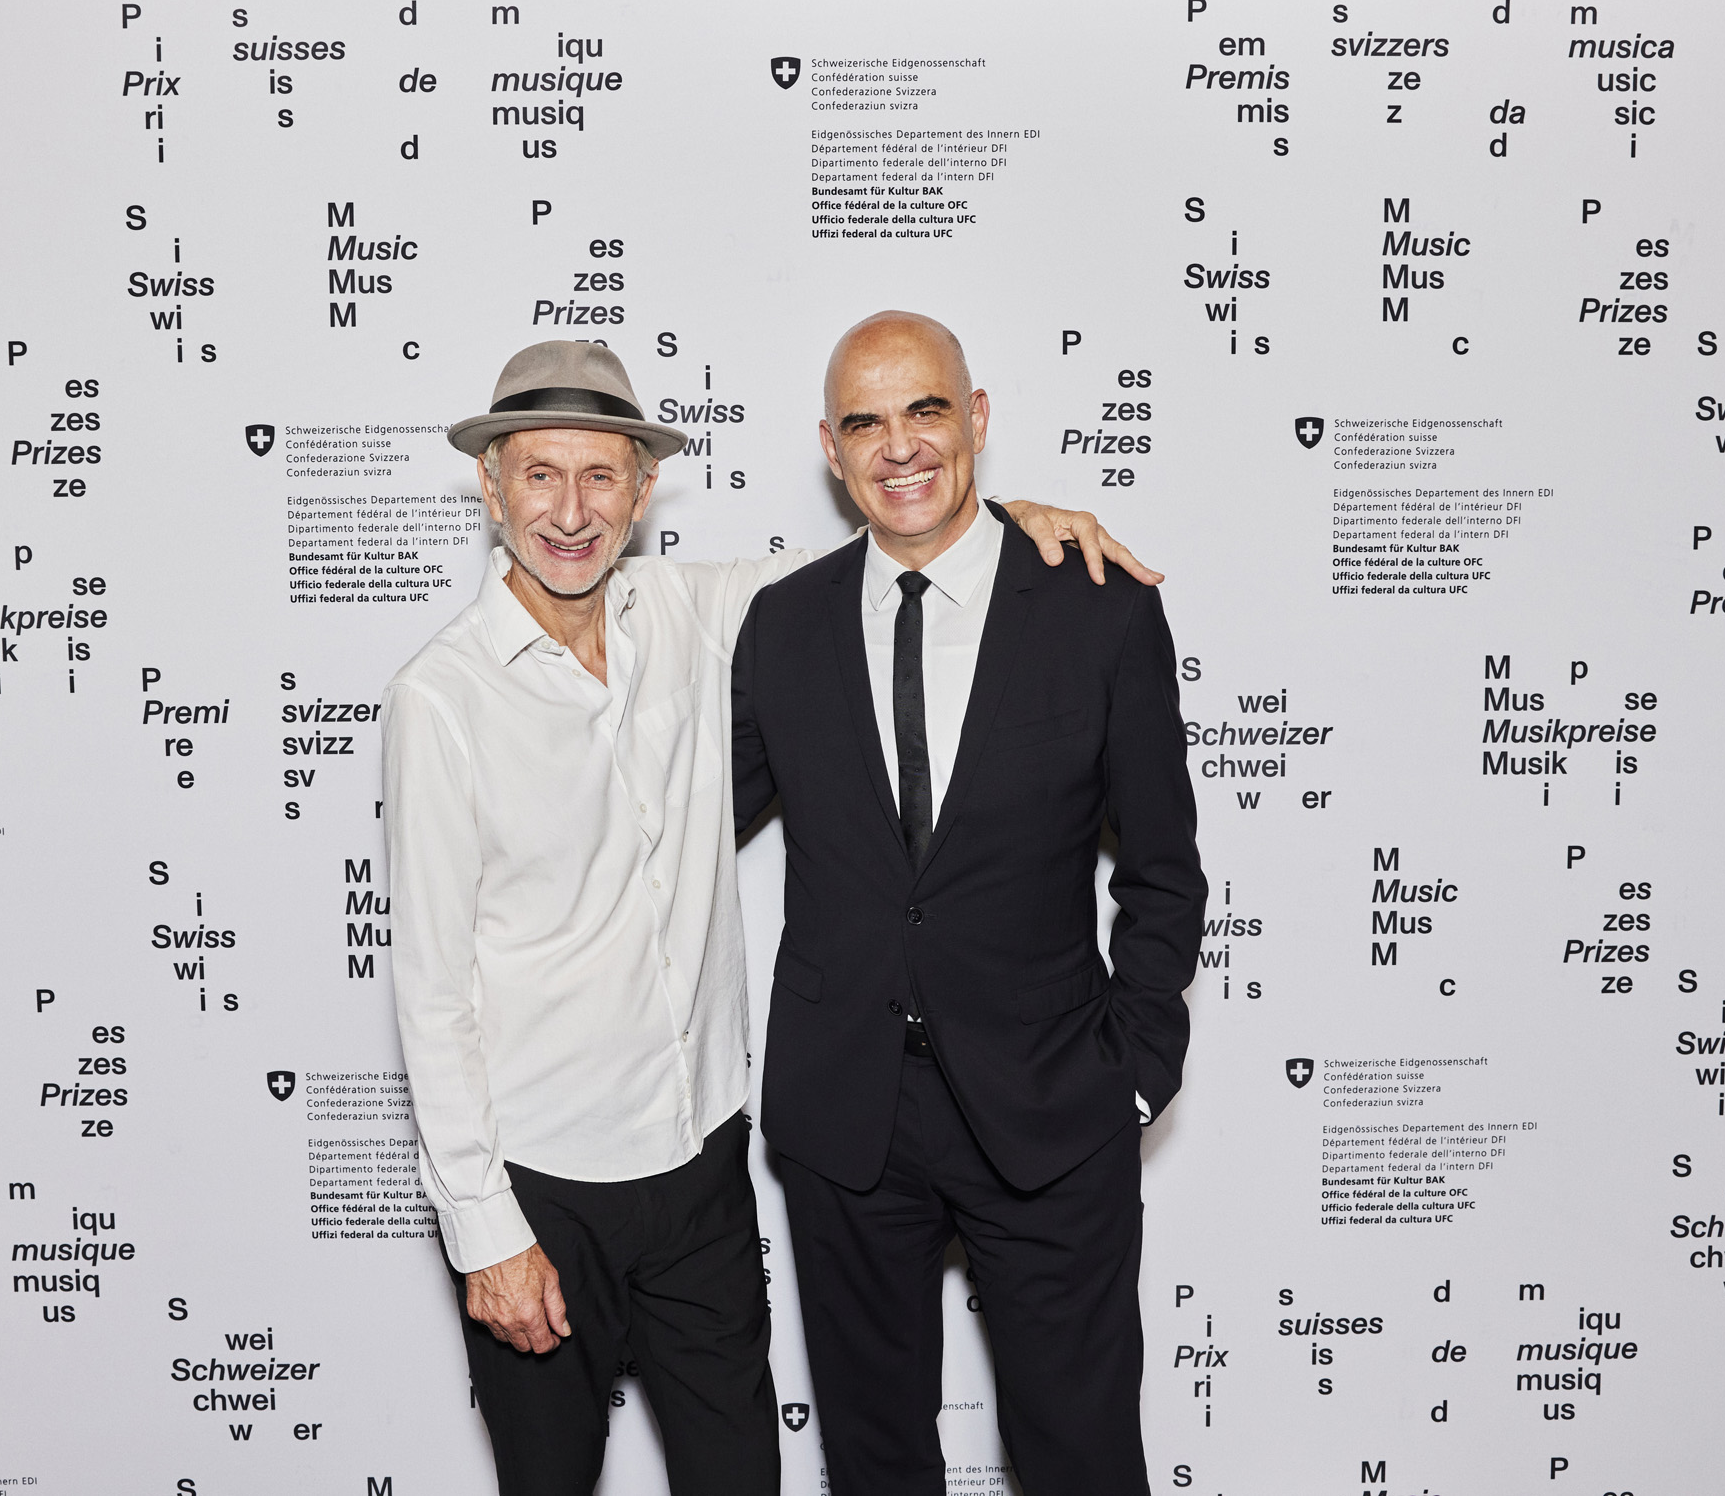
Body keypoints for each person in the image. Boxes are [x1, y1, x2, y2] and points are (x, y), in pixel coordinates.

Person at [382, 339, 1157, 1496]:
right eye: (538, 474)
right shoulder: (438, 699)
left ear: (644, 489)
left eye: (600, 475)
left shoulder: (696, 611)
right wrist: (483, 1226)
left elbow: (908, 539)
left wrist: (1014, 518)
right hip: (543, 1179)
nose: (570, 510)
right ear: (491, 488)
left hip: (703, 1160)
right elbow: (432, 987)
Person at [732, 311, 1206, 1495]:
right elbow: (677, 812)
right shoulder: (781, 622)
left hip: (1049, 1103)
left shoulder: (1096, 606)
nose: (898, 445)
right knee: (875, 1464)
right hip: (846, 1117)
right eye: (865, 421)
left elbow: (1162, 866)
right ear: (830, 450)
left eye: (926, 409)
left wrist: (1134, 1067)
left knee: (1082, 1458)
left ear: (977, 417)